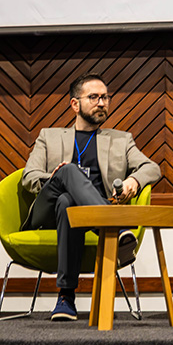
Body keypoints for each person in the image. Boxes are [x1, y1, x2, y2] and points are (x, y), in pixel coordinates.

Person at [20, 73, 161, 321]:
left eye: (105, 97)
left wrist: (134, 180)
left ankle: (65, 297)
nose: (101, 103)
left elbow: (152, 168)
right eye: (94, 97)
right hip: (47, 211)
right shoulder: (49, 136)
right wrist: (56, 176)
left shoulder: (121, 140)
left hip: (82, 212)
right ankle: (114, 231)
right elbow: (28, 176)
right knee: (66, 175)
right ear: (75, 104)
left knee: (68, 203)